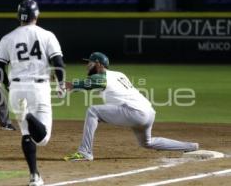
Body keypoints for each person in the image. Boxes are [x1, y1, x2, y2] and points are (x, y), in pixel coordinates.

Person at [64, 52, 199, 161]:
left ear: (98, 64)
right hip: (148, 112)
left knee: (93, 111)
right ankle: (190, 146)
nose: (87, 66)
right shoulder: (119, 74)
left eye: (90, 62)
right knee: (147, 143)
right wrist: (72, 87)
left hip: (134, 112)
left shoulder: (102, 77)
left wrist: (71, 85)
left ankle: (85, 152)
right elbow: (92, 84)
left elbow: (91, 82)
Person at [0, 0, 65, 186]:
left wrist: (9, 86)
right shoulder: (47, 35)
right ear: (36, 15)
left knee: (26, 134)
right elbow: (58, 63)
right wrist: (61, 84)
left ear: (19, 16)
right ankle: (29, 115)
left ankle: (34, 176)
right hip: (39, 87)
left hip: (17, 89)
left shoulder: (7, 38)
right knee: (43, 139)